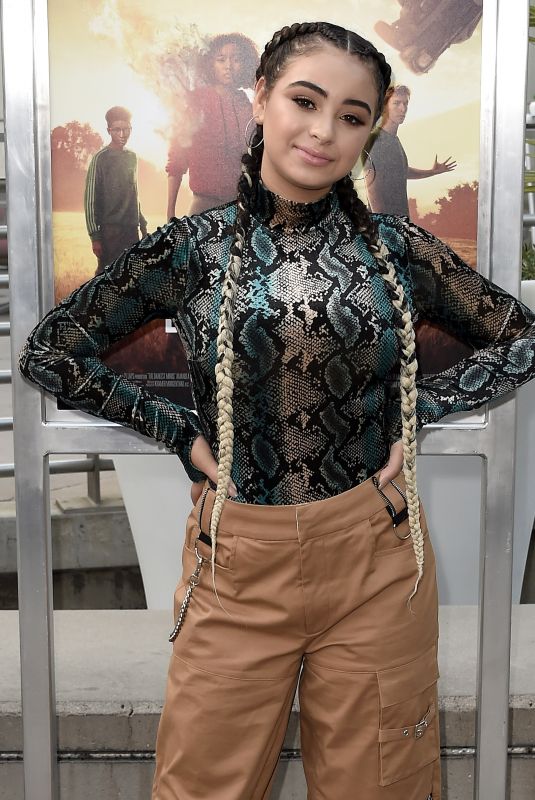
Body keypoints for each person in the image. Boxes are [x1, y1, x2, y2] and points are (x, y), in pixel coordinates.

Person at [19, 21, 535, 800]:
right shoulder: (190, 248)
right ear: (259, 97)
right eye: (305, 100)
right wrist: (176, 431)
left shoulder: (399, 249)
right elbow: (51, 351)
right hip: (236, 562)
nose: (325, 131)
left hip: (374, 555)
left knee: (384, 789)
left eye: (353, 116)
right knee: (201, 789)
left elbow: (520, 339)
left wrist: (420, 407)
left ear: (370, 131)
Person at [166, 33, 258, 219]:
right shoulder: (195, 101)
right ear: (210, 64)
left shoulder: (247, 105)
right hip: (203, 207)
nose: (229, 66)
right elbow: (177, 160)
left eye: (237, 59)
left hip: (242, 210)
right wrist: (170, 212)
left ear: (246, 64)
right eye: (221, 60)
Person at [365, 84, 456, 216]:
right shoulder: (376, 140)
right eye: (396, 103)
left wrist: (432, 172)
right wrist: (383, 227)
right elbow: (371, 188)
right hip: (385, 227)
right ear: (384, 106)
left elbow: (402, 170)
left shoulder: (394, 140)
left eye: (405, 103)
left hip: (400, 222)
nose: (402, 109)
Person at [84, 106, 147, 274]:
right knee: (106, 278)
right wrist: (95, 237)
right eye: (117, 130)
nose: (122, 134)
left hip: (131, 230)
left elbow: (134, 194)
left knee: (131, 277)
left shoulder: (132, 157)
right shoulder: (100, 159)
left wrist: (143, 224)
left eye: (126, 129)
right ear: (108, 130)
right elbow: (90, 200)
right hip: (109, 232)